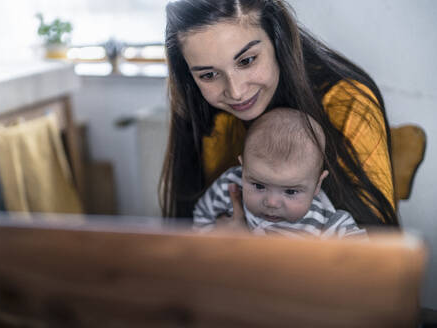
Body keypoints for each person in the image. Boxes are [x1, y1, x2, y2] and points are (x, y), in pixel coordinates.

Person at [160, 0, 398, 230]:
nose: (236, 92)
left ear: (277, 40)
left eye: (247, 60)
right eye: (208, 75)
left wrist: (245, 247)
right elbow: (189, 224)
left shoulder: (346, 101)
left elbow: (377, 249)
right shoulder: (204, 110)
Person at [194, 107, 367, 238]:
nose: (272, 203)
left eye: (290, 191)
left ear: (317, 184)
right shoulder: (230, 185)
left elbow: (363, 262)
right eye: (259, 185)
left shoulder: (327, 222)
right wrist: (214, 240)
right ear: (243, 168)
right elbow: (201, 215)